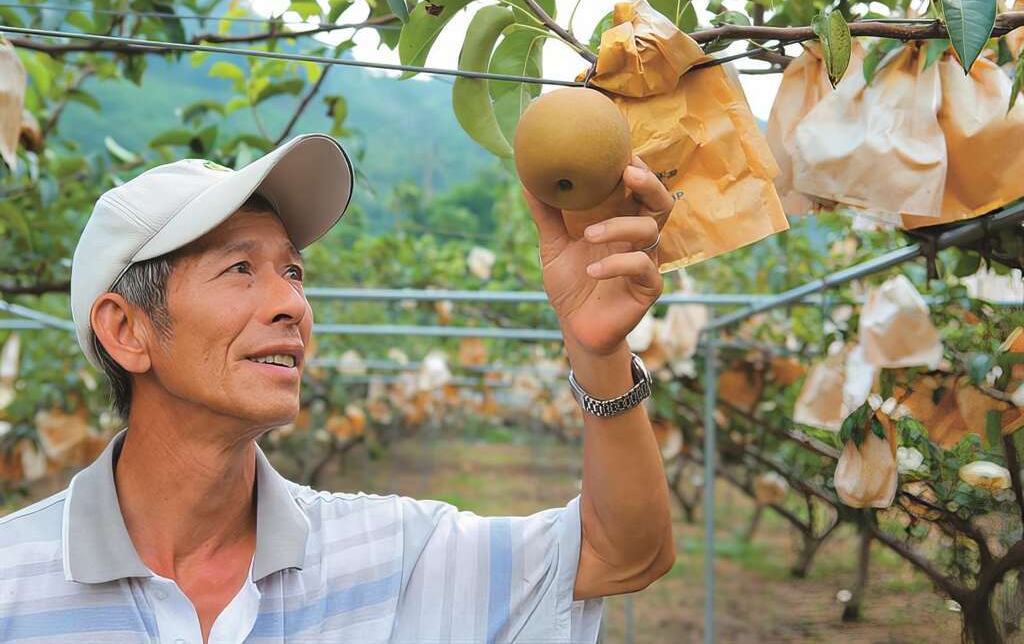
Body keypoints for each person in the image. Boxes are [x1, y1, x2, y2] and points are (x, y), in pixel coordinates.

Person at [0, 132, 676, 643]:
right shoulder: (14, 584)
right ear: (126, 330)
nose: (292, 304)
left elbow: (619, 554)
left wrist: (599, 350)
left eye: (293, 272)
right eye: (240, 267)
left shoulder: (385, 554)